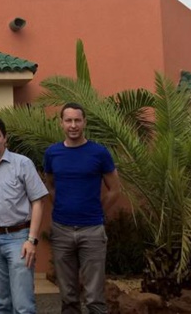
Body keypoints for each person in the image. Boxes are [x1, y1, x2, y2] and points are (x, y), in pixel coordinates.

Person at [44, 103, 121, 314]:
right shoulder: (52, 153)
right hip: (61, 230)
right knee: (68, 296)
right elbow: (50, 185)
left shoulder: (99, 153)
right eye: (68, 120)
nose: (73, 125)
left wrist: (98, 211)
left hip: (92, 231)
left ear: (84, 122)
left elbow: (114, 189)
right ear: (61, 123)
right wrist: (62, 207)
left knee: (95, 296)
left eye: (77, 120)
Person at [0, 116, 48, 314]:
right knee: (0, 303)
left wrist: (32, 239)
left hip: (19, 238)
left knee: (23, 305)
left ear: (5, 138)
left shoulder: (23, 164)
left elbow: (38, 201)